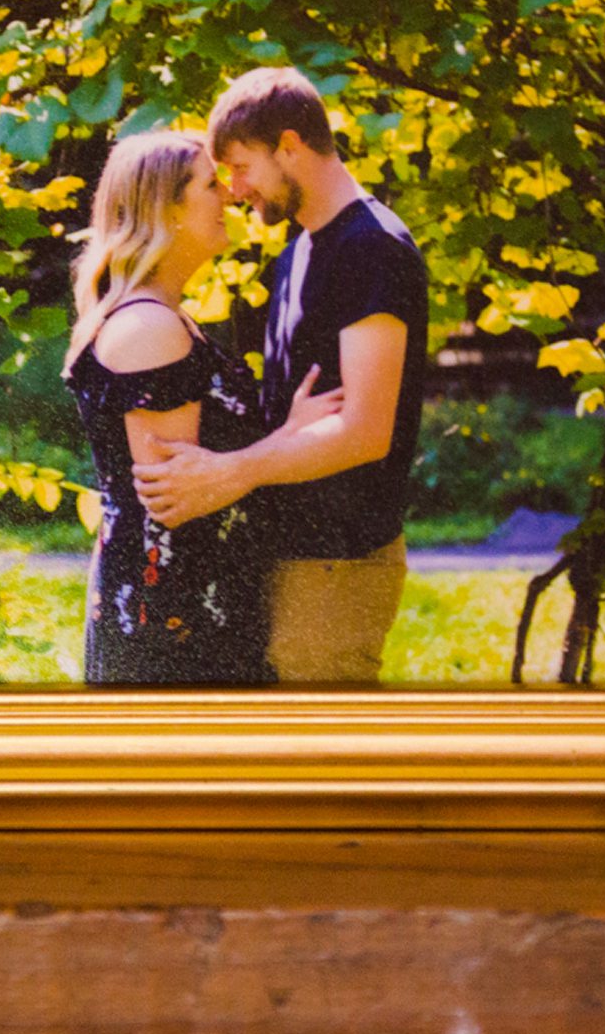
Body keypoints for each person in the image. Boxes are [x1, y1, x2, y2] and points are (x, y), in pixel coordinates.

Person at [135, 66, 429, 685]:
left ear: (290, 145)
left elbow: (365, 431)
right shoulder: (301, 250)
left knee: (323, 771)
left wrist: (229, 473)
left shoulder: (372, 250)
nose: (235, 190)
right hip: (289, 559)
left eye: (241, 167)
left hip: (338, 566)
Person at [64, 128, 340, 686]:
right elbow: (179, 497)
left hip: (192, 612)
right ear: (164, 208)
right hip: (171, 629)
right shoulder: (148, 329)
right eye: (211, 184)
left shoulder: (165, 317)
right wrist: (286, 441)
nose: (231, 196)